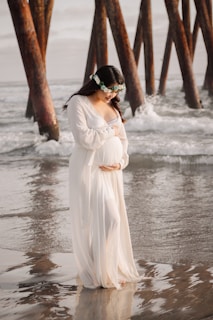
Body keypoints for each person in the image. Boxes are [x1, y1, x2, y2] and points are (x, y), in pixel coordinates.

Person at [66, 65, 140, 289]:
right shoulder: (78, 103)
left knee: (106, 221)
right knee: (109, 220)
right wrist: (111, 130)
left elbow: (124, 141)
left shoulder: (112, 107)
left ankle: (103, 268)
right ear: (97, 84)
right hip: (89, 169)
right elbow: (84, 139)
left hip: (111, 173)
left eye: (116, 91)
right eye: (109, 89)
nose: (112, 95)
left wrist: (120, 162)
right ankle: (99, 270)